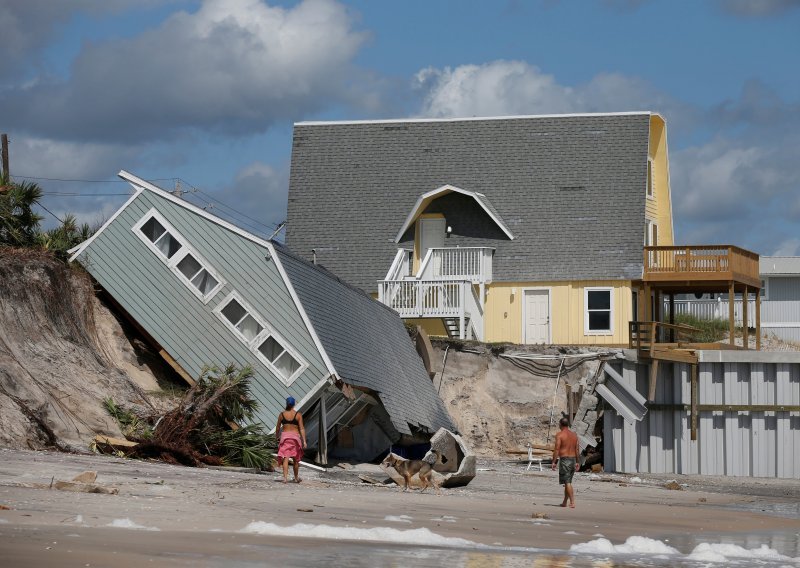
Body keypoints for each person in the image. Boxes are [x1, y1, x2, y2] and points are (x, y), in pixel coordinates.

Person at [276, 396, 306, 483]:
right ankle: (296, 478)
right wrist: (304, 441)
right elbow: (302, 428)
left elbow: (278, 428)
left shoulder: (282, 415)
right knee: (296, 459)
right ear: (294, 404)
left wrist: (277, 436)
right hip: (295, 438)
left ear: (286, 403)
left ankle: (285, 478)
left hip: (285, 437)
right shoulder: (298, 415)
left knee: (285, 458)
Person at [551, 417, 580, 508]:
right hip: (573, 460)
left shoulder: (559, 435)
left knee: (567, 482)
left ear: (561, 424)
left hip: (565, 460)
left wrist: (554, 462)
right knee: (568, 481)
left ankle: (572, 502)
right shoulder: (574, 435)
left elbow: (557, 449)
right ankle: (564, 502)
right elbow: (577, 450)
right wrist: (578, 462)